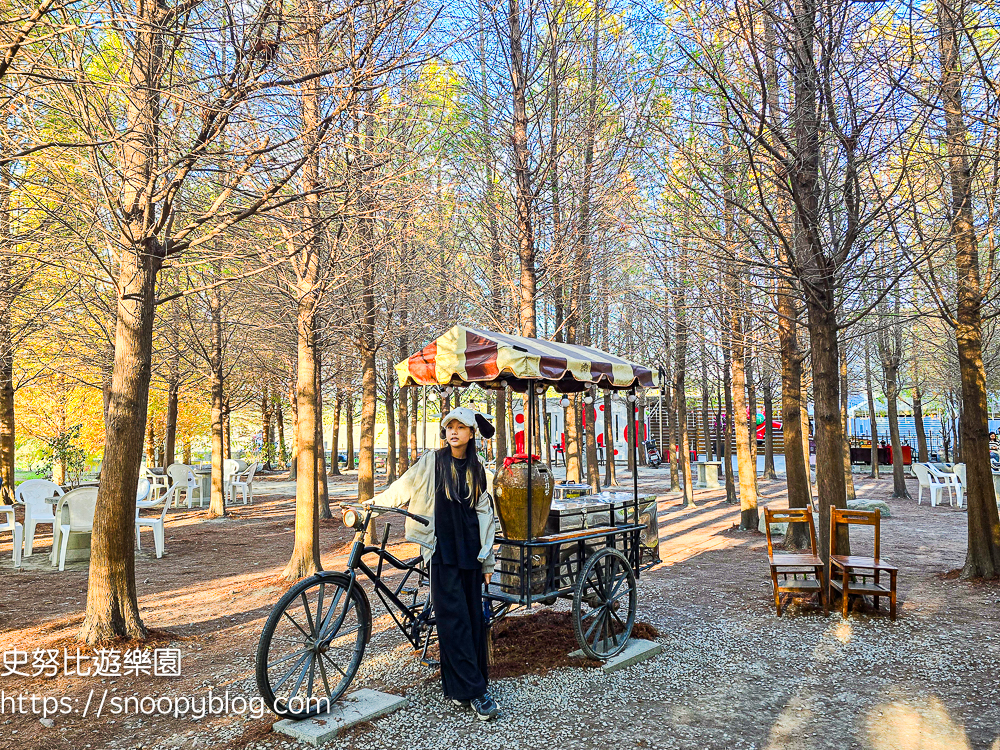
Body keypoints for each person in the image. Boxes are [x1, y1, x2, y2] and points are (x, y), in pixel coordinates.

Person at [370, 406, 500, 721]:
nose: (453, 432)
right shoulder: (433, 462)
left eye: (460, 427)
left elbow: (486, 517)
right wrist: (371, 507)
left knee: (470, 619)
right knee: (451, 621)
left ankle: (467, 688)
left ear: (471, 433)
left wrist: (488, 561)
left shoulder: (478, 469)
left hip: (471, 553)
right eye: (449, 426)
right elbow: (403, 488)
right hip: (442, 552)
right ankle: (472, 691)